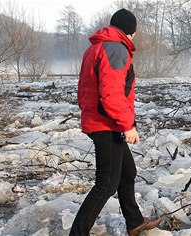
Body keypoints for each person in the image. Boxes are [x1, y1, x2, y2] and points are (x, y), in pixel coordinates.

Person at [71, 9, 161, 236]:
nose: (134, 37)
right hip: (107, 123)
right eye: (134, 32)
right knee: (106, 185)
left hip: (101, 119)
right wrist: (127, 125)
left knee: (127, 172)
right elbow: (111, 94)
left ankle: (134, 222)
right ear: (130, 31)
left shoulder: (97, 47)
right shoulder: (115, 48)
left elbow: (87, 89)